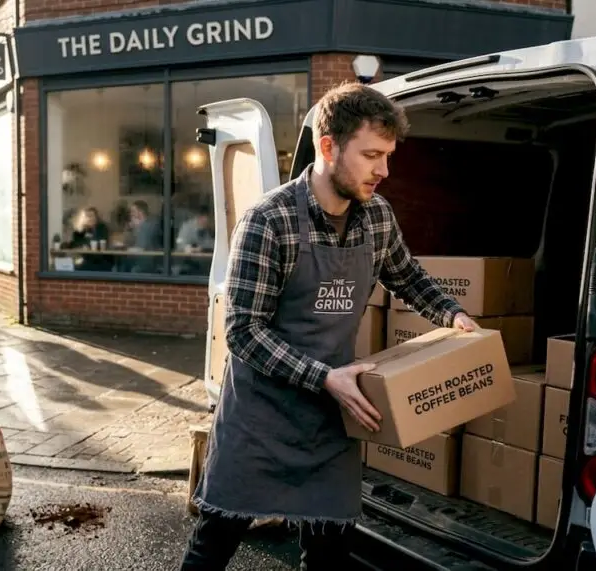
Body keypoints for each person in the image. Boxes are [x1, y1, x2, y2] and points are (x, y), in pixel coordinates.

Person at [180, 81, 478, 570]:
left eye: (388, 155)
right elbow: (242, 331)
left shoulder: (377, 218)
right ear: (327, 147)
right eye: (371, 155)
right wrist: (324, 376)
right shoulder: (267, 220)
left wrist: (453, 315)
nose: (384, 170)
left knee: (329, 553)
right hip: (261, 418)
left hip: (333, 419)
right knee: (215, 543)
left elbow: (409, 277)